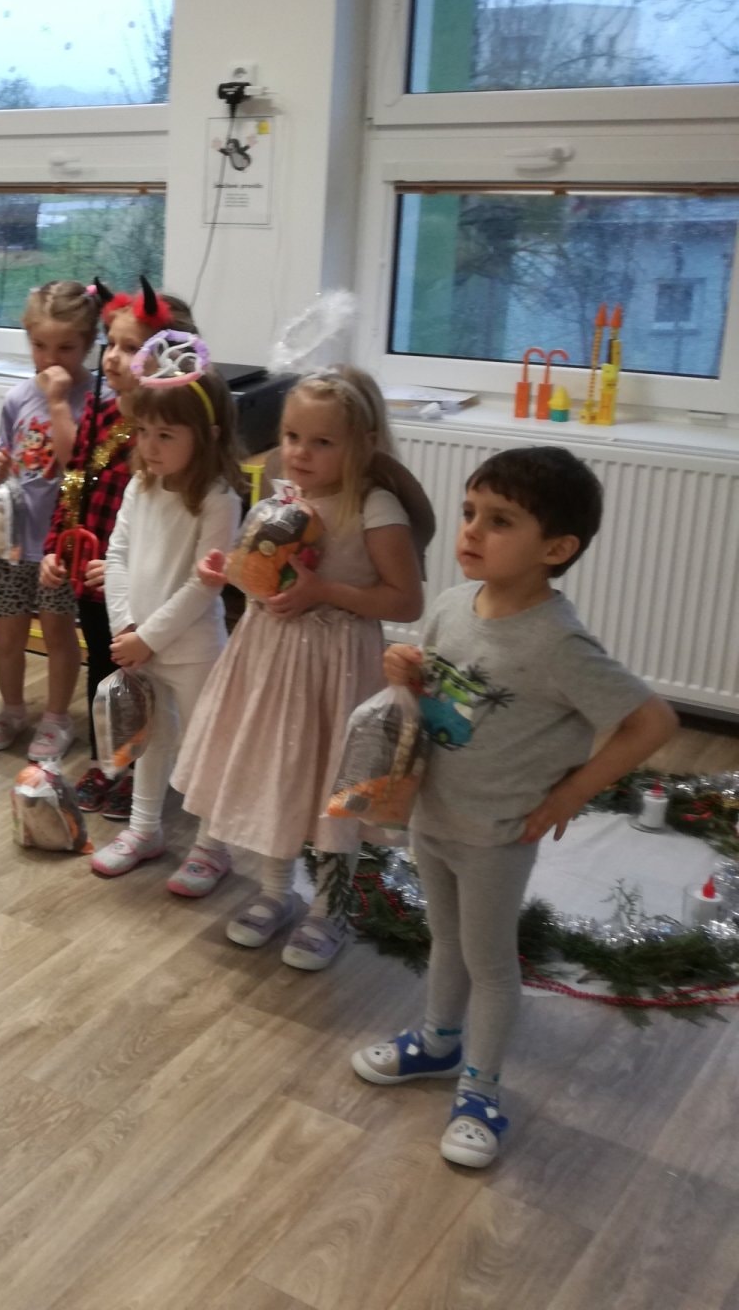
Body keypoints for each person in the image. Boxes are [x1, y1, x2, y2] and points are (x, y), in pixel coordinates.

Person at [354, 447, 675, 1168]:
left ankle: (481, 1090)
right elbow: (435, 688)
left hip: (497, 833)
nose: (471, 530)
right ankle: (438, 1041)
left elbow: (652, 723)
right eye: (470, 512)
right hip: (434, 812)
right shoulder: (449, 605)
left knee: (491, 963)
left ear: (556, 549)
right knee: (445, 940)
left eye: (499, 521)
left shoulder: (559, 642)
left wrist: (570, 793)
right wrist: (406, 668)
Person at [171, 367, 428, 970]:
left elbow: (405, 601)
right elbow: (260, 573)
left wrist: (324, 591)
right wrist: (226, 572)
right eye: (291, 437)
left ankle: (329, 909)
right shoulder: (282, 497)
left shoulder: (374, 507)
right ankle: (274, 892)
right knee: (279, 774)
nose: (300, 453)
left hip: (336, 668)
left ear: (363, 444)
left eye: (321, 441)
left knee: (333, 787)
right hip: (269, 659)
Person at [42, 281, 199, 817]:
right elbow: (74, 481)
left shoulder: (168, 438)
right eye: (110, 342)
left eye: (130, 347)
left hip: (143, 588)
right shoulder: (99, 412)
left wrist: (120, 572)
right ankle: (108, 760)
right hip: (92, 582)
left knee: (149, 682)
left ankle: (141, 772)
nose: (112, 356)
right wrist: (55, 547)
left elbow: (164, 529)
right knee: (103, 674)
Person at [83, 352, 243, 878]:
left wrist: (147, 637)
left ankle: (211, 847)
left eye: (166, 435)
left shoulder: (219, 500)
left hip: (192, 650)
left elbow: (205, 584)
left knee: (203, 746)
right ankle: (144, 829)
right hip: (140, 645)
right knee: (149, 739)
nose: (149, 446)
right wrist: (125, 628)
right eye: (143, 431)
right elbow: (117, 557)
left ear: (207, 436)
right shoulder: (140, 485)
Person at [0, 280, 98, 761]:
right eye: (40, 345)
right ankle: (12, 710)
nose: (51, 358)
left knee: (57, 632)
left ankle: (56, 717)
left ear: (88, 344)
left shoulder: (96, 399)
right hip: (13, 539)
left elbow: (76, 465)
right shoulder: (15, 399)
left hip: (62, 544)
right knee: (6, 632)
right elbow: (13, 462)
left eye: (65, 347)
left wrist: (57, 401)